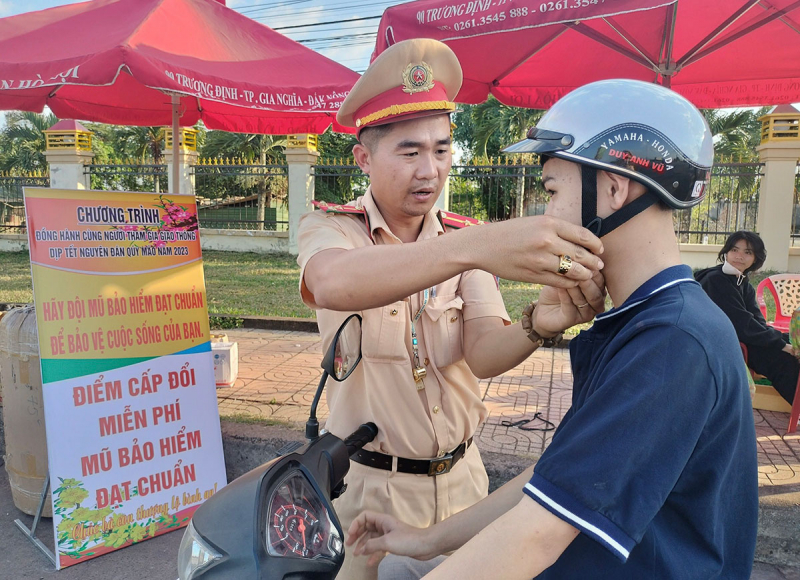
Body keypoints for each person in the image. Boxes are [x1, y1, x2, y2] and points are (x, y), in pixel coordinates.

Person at [346, 79, 759, 579]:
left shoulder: (671, 341)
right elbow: (553, 479)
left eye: (553, 190)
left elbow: (539, 532)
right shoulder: (645, 318)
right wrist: (428, 539)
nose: (546, 215)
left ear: (613, 188)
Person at [296, 39, 606, 580]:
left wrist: (537, 322)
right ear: (364, 157)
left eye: (442, 149)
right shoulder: (334, 230)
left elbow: (482, 353)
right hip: (370, 498)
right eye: (410, 151)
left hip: (466, 487)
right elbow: (330, 284)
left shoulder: (463, 239)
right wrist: (472, 249)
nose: (430, 170)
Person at [696, 231, 799, 405]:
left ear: (755, 258)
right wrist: (783, 346)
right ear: (726, 252)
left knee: (790, 341)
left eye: (747, 252)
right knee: (784, 362)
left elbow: (757, 320)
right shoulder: (716, 280)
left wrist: (784, 342)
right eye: (735, 250)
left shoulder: (742, 281)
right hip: (725, 343)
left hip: (745, 336)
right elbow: (741, 324)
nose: (739, 256)